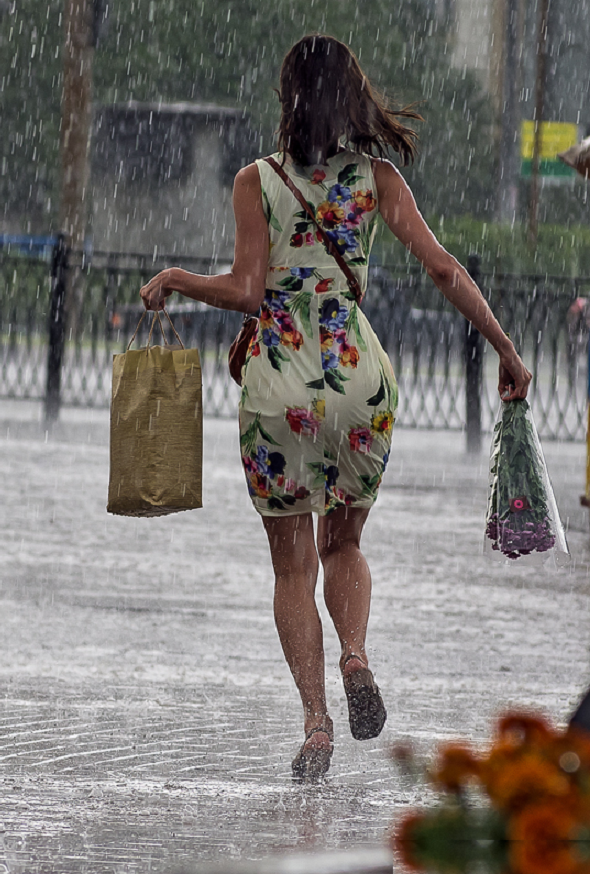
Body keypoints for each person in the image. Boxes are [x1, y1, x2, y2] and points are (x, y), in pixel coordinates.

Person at [139, 34, 532, 782]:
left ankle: (316, 724)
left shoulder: (255, 181)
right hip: (359, 385)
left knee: (292, 570)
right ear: (354, 99)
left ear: (286, 98)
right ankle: (356, 655)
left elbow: (249, 293)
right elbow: (444, 268)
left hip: (280, 387)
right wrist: (506, 350)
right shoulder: (378, 180)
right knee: (342, 546)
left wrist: (178, 278)